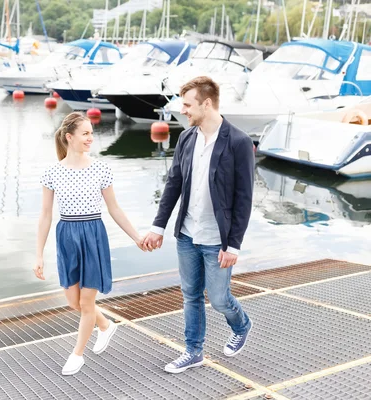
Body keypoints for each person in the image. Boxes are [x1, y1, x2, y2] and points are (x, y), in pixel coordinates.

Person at [141, 76, 255, 374]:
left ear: (207, 103)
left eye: (188, 104)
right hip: (188, 235)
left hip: (218, 239)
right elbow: (174, 183)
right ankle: (193, 351)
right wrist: (158, 226)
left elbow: (244, 197)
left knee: (218, 299)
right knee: (191, 295)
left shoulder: (239, 142)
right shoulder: (186, 138)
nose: (184, 110)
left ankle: (241, 324)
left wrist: (234, 245)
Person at [35, 111, 144, 376]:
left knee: (86, 304)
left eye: (91, 134)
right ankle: (106, 325)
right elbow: (46, 215)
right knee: (74, 301)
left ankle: (77, 355)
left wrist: (137, 237)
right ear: (69, 137)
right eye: (85, 134)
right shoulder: (52, 172)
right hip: (67, 237)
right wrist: (38, 255)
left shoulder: (100, 168)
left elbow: (114, 208)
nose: (90, 139)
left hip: (93, 235)